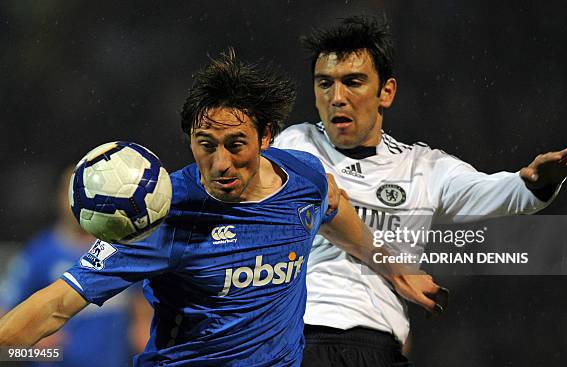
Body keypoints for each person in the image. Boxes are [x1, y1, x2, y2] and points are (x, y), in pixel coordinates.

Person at [0, 49, 432, 367]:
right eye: (205, 145)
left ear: (266, 137)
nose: (220, 163)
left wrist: (393, 268)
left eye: (235, 145)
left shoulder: (305, 180)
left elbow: (334, 208)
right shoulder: (160, 216)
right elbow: (55, 305)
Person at [272, 16, 567, 367]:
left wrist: (532, 179)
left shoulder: (423, 167)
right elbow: (310, 206)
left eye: (353, 82)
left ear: (387, 92)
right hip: (303, 337)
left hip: (379, 345)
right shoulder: (296, 143)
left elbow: (496, 191)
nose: (337, 98)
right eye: (324, 84)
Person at [0, 166, 151, 367]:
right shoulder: (38, 254)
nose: (78, 200)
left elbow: (142, 315)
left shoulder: (122, 251)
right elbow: (5, 344)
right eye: (72, 192)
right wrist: (34, 351)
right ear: (59, 198)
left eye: (88, 192)